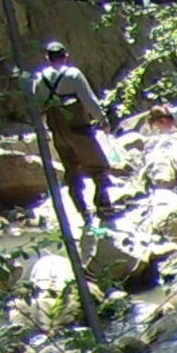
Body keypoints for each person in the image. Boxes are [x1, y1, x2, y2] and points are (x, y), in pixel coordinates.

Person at [29, 41, 113, 222]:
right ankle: (104, 206)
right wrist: (103, 120)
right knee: (99, 167)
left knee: (72, 170)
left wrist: (41, 130)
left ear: (47, 58)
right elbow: (89, 100)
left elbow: (36, 108)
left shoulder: (39, 79)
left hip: (58, 132)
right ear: (66, 56)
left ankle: (83, 210)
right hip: (79, 129)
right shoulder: (73, 75)